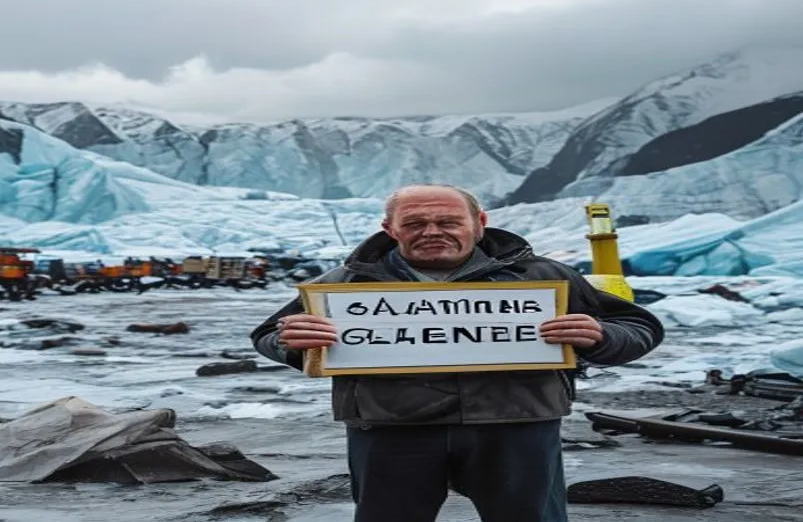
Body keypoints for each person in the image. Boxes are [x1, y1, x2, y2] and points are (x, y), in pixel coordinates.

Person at [248, 184, 664, 522]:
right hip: (391, 428)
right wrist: (292, 341)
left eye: (448, 221)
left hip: (516, 426)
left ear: (478, 223)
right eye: (415, 223)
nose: (433, 231)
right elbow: (270, 333)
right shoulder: (343, 285)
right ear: (390, 229)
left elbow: (640, 327)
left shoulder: (543, 277)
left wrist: (601, 335)